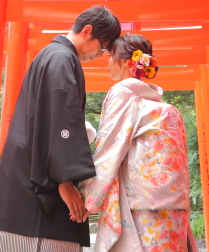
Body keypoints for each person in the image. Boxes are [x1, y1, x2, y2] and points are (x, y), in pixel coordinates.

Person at [0, 5, 121, 252]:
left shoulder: (50, 55)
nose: (100, 55)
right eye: (102, 47)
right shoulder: (61, 58)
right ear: (87, 31)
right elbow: (60, 119)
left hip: (23, 176)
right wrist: (64, 181)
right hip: (37, 195)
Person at [82, 33, 194, 252]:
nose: (107, 62)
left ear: (125, 62)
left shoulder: (123, 92)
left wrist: (88, 197)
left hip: (139, 208)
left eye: (111, 56)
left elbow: (109, 150)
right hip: (173, 206)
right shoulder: (164, 108)